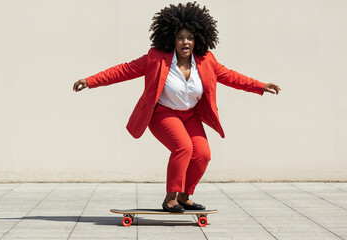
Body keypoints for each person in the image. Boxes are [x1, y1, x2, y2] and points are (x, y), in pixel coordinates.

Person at [73, 2, 281, 213]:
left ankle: (184, 196)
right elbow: (124, 70)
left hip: (190, 115)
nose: (185, 42)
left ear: (197, 39)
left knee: (202, 154)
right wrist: (90, 81)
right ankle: (170, 198)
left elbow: (231, 77)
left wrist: (260, 86)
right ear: (171, 38)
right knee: (183, 147)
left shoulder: (206, 61)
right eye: (180, 37)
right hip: (163, 114)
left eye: (190, 37)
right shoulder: (156, 58)